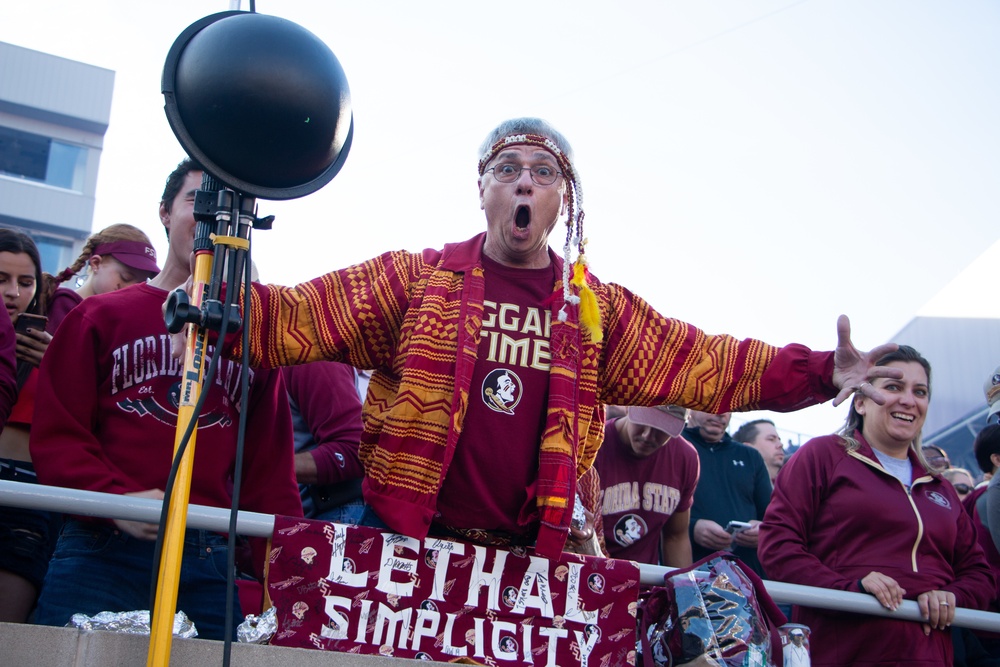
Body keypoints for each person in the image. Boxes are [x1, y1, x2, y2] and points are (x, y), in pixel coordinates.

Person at [215, 117, 901, 559]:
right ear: (482, 189)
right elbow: (299, 316)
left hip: (529, 556)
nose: (524, 181)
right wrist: (221, 300)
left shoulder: (593, 311)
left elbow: (706, 364)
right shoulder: (416, 280)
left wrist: (816, 373)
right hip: (406, 542)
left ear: (561, 203)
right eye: (507, 167)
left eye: (544, 173)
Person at [29, 158, 302, 640]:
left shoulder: (255, 336)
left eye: (230, 209)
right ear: (164, 212)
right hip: (101, 546)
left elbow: (268, 477)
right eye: (198, 201)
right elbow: (58, 436)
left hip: (208, 555)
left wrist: (282, 581)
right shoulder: (98, 317)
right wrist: (114, 500)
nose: (212, 218)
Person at [759, 345, 994, 667]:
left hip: (929, 656)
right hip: (844, 651)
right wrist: (848, 589)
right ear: (861, 401)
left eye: (920, 391)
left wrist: (953, 596)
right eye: (893, 387)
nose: (908, 400)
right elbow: (778, 546)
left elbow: (979, 574)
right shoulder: (822, 456)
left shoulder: (942, 488)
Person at [0, 229, 54, 622]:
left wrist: (61, 366)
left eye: (25, 282)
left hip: (29, 494)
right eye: (0, 279)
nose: (13, 293)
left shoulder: (59, 339)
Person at [595, 405, 698, 566]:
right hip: (591, 571)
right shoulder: (592, 447)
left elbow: (676, 537)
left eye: (662, 429)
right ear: (629, 408)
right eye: (642, 421)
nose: (648, 436)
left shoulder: (685, 457)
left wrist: (684, 587)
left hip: (644, 580)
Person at [685, 410, 772, 575]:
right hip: (691, 575)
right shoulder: (672, 444)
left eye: (728, 407)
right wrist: (691, 529)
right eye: (714, 403)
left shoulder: (750, 456)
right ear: (692, 404)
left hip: (745, 576)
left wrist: (763, 531)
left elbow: (773, 518)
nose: (721, 414)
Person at [285, 361, 365, 523]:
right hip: (266, 520)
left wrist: (264, 470)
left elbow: (353, 449)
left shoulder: (311, 358)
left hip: (327, 514)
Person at [44, 223, 160, 328]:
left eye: (140, 284)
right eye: (126, 277)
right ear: (96, 263)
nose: (132, 288)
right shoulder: (66, 305)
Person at [734, 418, 785, 484]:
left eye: (779, 440)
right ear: (748, 447)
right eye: (771, 439)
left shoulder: (790, 487)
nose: (780, 445)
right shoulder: (736, 488)